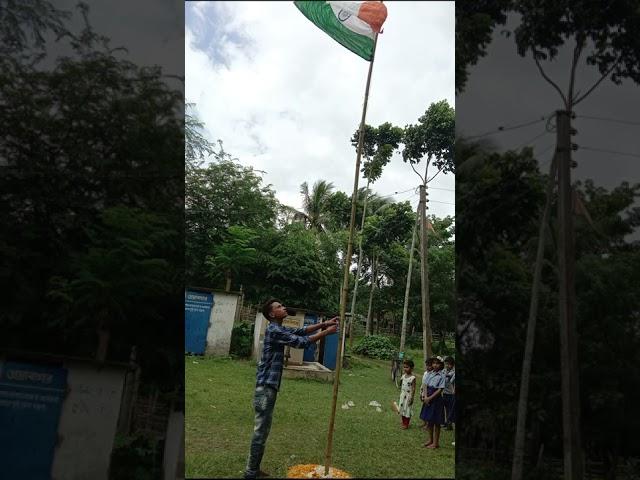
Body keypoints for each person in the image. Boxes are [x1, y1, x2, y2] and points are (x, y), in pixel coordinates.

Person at [244, 299, 339, 479]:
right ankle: (251, 473)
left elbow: (300, 331)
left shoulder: (278, 328)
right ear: (272, 314)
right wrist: (327, 332)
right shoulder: (274, 330)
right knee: (260, 432)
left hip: (268, 388)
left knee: (262, 431)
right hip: (265, 389)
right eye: (279, 307)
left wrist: (324, 323)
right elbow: (300, 342)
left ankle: (253, 470)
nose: (284, 308)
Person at [422, 356, 446, 449]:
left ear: (441, 365)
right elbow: (425, 385)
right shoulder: (429, 374)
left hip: (436, 400)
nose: (435, 365)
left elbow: (440, 390)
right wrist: (425, 396)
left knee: (437, 422)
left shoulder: (442, 375)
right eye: (434, 363)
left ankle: (436, 443)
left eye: (437, 363)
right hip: (428, 398)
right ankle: (430, 440)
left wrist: (430, 398)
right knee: (429, 420)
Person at [396, 359, 416, 429]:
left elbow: (413, 388)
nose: (405, 369)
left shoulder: (413, 378)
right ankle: (403, 421)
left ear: (412, 368)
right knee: (402, 408)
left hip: (408, 396)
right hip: (403, 395)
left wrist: (412, 397)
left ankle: (406, 424)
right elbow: (401, 383)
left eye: (407, 367)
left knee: (407, 409)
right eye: (404, 367)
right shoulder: (403, 376)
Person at [419, 357, 434, 430]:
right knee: (424, 409)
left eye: (429, 365)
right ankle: (425, 422)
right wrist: (421, 393)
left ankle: (428, 424)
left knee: (429, 410)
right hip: (424, 392)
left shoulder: (433, 374)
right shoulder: (425, 373)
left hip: (429, 393)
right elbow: (423, 384)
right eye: (427, 365)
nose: (428, 367)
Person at [442, 356, 456, 430]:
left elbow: (449, 377)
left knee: (451, 409)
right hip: (445, 392)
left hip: (451, 393)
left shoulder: (453, 372)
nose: (447, 365)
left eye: (449, 364)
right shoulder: (444, 370)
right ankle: (447, 422)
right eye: (446, 364)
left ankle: (449, 425)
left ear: (453, 365)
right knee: (446, 408)